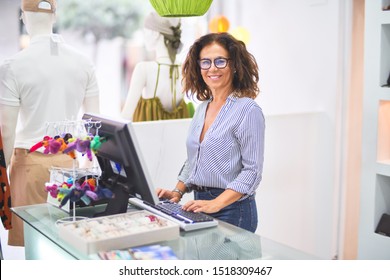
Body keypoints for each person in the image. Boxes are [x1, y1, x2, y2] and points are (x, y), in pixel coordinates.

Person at [0, 0, 100, 246]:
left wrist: (3, 183)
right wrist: (87, 168)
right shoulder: (83, 62)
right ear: (55, 16)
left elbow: (7, 131)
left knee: (35, 247)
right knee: (66, 244)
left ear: (23, 17)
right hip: (70, 164)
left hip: (29, 165)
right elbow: (94, 123)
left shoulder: (13, 66)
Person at [156, 33, 265, 233]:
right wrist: (177, 192)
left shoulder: (248, 109)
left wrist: (217, 203)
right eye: (205, 62)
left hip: (233, 209)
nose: (212, 68)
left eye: (220, 61)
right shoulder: (202, 108)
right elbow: (195, 159)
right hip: (200, 205)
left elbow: (252, 172)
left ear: (234, 65)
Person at [121, 12, 193, 122]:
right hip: (179, 138)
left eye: (145, 32)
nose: (144, 37)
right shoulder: (185, 69)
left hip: (147, 138)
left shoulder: (143, 69)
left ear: (155, 34)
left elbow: (126, 116)